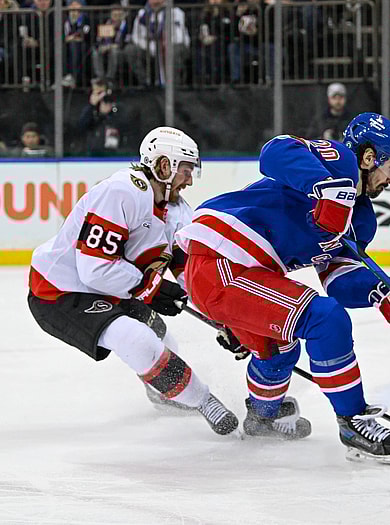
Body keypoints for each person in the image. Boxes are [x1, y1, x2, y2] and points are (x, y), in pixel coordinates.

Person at [175, 113, 390, 465]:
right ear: (369, 157)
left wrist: (386, 294)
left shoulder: (363, 218)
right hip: (220, 258)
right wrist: (325, 188)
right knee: (324, 319)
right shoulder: (339, 161)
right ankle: (353, 421)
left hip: (249, 275)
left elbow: (340, 281)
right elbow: (274, 152)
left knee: (280, 349)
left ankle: (264, 415)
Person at [27, 127, 239, 436]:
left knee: (161, 336)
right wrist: (149, 288)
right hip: (59, 292)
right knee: (137, 339)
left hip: (114, 286)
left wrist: (226, 320)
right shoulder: (121, 192)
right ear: (163, 166)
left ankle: (163, 393)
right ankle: (205, 401)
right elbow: (95, 269)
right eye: (185, 170)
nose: (190, 180)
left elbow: (190, 275)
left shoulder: (179, 212)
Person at [77, 79, 134, 154]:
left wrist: (110, 113)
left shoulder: (118, 108)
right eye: (97, 93)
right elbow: (81, 127)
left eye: (101, 92)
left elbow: (127, 127)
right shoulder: (91, 110)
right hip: (93, 154)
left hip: (116, 154)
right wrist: (92, 107)